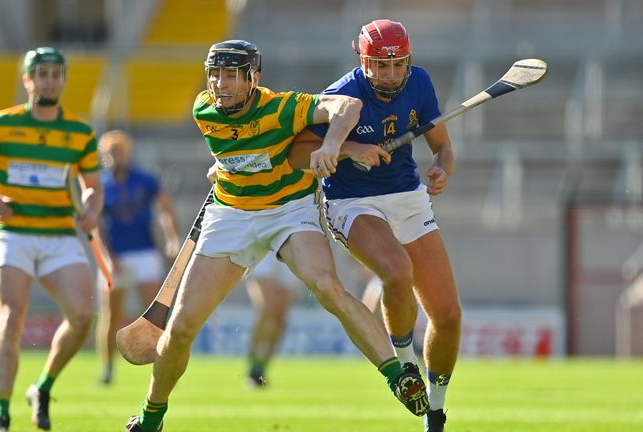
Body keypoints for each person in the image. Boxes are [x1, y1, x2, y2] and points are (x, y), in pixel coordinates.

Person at [123, 39, 429, 432]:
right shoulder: (203, 109)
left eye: (232, 75)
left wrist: (335, 146)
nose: (221, 84)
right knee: (180, 329)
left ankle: (396, 374)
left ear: (253, 78)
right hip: (231, 215)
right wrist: (223, 168)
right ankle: (151, 416)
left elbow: (347, 106)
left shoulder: (283, 107)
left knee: (326, 286)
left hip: (288, 213)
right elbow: (238, 150)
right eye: (215, 74)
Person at [289, 19, 460, 432]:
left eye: (398, 65)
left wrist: (441, 170)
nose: (390, 74)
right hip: (351, 201)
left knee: (448, 315)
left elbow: (443, 147)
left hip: (406, 196)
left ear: (408, 62)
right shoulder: (342, 94)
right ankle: (405, 368)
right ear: (363, 62)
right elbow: (299, 153)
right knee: (397, 270)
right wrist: (351, 150)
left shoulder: (419, 83)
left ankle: (434, 412)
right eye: (380, 66)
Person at [0, 47, 103, 432]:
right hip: (13, 233)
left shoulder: (80, 133)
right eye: (42, 74)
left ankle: (43, 386)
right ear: (27, 80)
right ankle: (1, 414)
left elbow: (93, 187)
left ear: (64, 81)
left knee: (83, 316)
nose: (50, 81)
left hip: (59, 234)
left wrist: (91, 206)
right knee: (12, 315)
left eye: (56, 74)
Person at [95, 129, 181, 385]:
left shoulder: (145, 179)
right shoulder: (100, 184)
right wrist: (107, 257)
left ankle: (158, 365)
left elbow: (165, 209)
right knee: (110, 315)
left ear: (128, 152)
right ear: (103, 156)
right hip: (115, 257)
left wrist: (172, 238)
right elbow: (96, 226)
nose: (115, 157)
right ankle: (107, 368)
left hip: (145, 252)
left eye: (119, 151)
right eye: (110, 152)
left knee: (154, 315)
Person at [243, 252, 300, 388]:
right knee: (268, 306)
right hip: (263, 244)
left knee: (280, 315)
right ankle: (253, 366)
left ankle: (261, 369)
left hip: (289, 242)